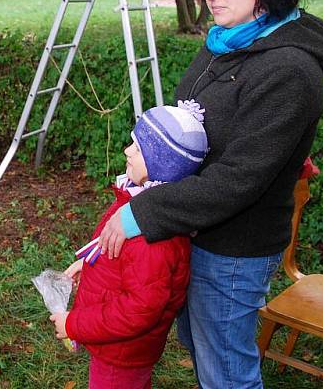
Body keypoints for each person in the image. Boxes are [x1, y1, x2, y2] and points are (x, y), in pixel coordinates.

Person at [95, 0, 323, 388]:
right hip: (194, 229)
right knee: (199, 341)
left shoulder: (289, 71)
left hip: (234, 250)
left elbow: (238, 179)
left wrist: (142, 213)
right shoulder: (226, 43)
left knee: (227, 372)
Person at [50, 100, 208, 389]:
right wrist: (88, 262)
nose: (127, 151)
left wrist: (73, 324)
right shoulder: (142, 205)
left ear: (161, 162)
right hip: (118, 346)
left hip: (122, 351)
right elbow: (115, 250)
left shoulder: (154, 239)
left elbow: (138, 310)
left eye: (137, 147)